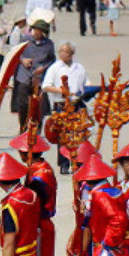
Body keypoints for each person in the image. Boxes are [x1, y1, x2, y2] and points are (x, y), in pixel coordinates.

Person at [41, 42, 88, 172]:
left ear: (71, 54)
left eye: (65, 52)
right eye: (61, 51)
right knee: (62, 135)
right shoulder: (54, 68)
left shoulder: (79, 68)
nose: (62, 54)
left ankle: (77, 161)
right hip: (61, 105)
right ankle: (63, 163)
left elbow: (85, 83)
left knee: (78, 134)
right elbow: (45, 86)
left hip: (76, 103)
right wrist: (60, 91)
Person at [12, 20, 55, 128]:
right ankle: (23, 126)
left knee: (39, 105)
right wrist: (23, 60)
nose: (36, 33)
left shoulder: (49, 44)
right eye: (35, 30)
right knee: (23, 103)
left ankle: (37, 128)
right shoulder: (25, 40)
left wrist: (44, 68)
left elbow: (52, 60)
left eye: (39, 31)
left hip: (39, 78)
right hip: (24, 75)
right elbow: (16, 54)